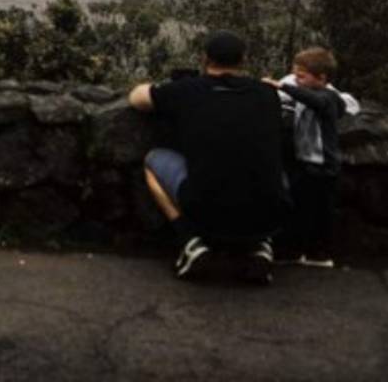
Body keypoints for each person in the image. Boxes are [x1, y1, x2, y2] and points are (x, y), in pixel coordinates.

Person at [129, 31, 287, 283]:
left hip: (205, 209)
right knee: (268, 168)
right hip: (270, 212)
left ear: (205, 59)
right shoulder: (267, 95)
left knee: (153, 160)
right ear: (243, 60)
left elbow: (136, 98)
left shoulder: (187, 91)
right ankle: (260, 245)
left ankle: (190, 240)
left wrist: (155, 86)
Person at [264, 47, 359, 268]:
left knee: (321, 213)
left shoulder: (329, 98)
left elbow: (317, 102)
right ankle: (295, 250)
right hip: (306, 162)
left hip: (324, 166)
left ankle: (320, 254)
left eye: (301, 77)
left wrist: (282, 85)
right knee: (300, 208)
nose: (296, 81)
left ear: (322, 78)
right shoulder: (307, 93)